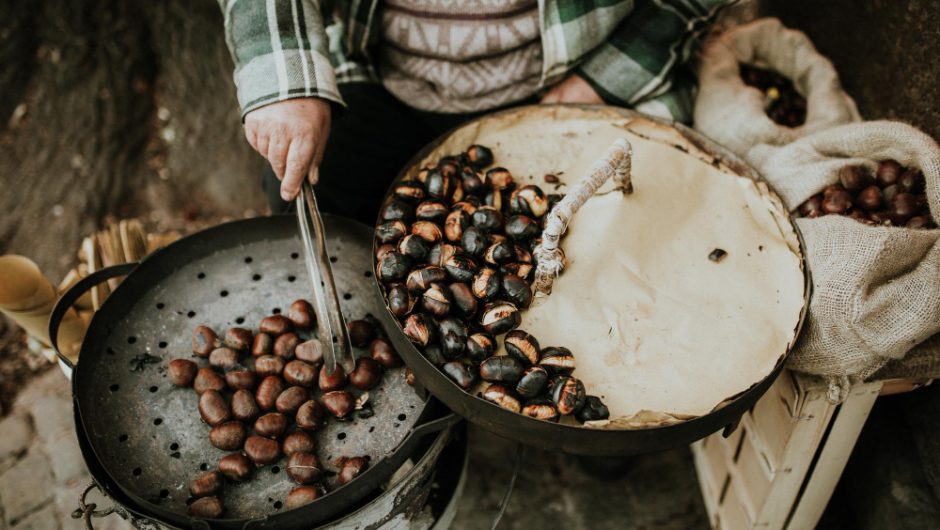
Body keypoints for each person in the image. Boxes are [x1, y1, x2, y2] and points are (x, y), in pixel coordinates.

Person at [219, 0, 730, 223]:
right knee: (305, 194)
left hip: (562, 85)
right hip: (379, 71)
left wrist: (604, 78)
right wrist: (287, 79)